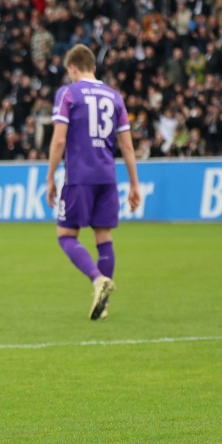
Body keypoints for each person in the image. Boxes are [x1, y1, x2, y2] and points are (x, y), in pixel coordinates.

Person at [46, 44, 141, 320]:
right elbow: (128, 146)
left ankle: (98, 280)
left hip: (79, 176)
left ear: (73, 68)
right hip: (107, 177)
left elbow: (59, 139)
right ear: (93, 67)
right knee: (104, 237)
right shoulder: (115, 97)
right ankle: (103, 305)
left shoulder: (68, 93)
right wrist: (134, 184)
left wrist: (50, 176)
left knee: (66, 236)